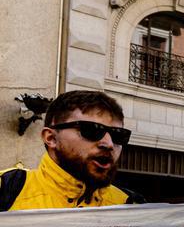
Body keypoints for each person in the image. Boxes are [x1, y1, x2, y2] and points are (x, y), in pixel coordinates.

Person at [0, 90, 142, 211]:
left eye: (118, 135)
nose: (109, 144)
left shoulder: (131, 206)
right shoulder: (7, 188)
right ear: (51, 138)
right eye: (91, 130)